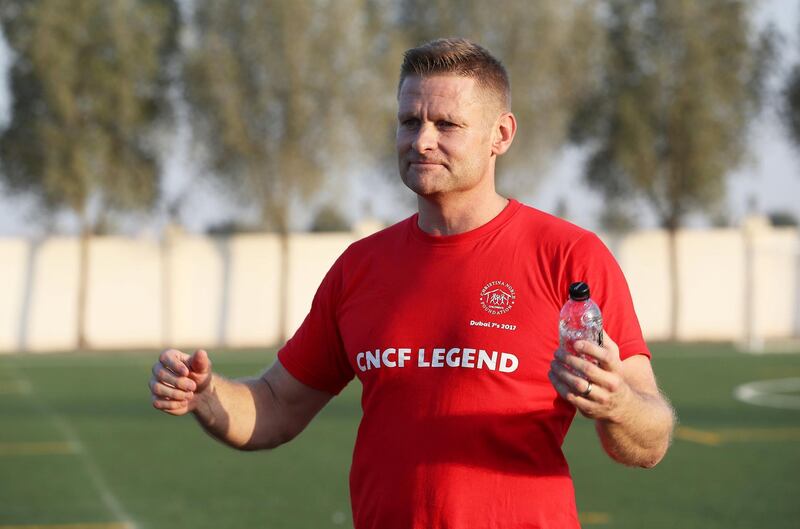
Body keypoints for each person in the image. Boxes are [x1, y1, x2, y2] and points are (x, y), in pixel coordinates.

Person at [149, 38, 675, 529]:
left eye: (447, 124)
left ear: (502, 135)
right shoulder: (361, 267)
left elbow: (650, 442)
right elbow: (277, 406)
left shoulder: (568, 257)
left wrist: (617, 404)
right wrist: (207, 396)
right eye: (409, 121)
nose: (422, 140)